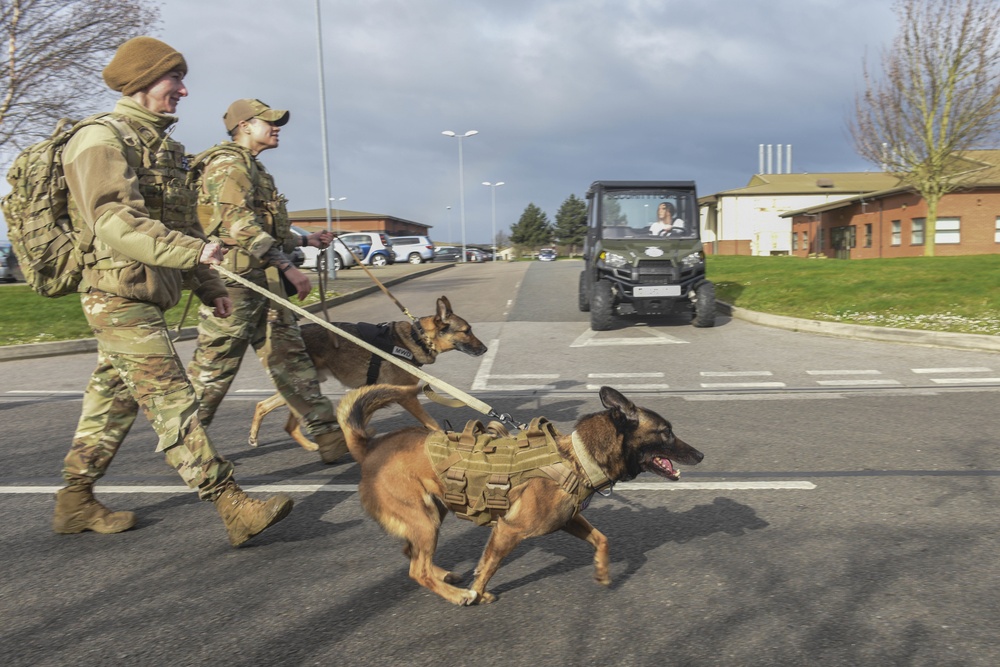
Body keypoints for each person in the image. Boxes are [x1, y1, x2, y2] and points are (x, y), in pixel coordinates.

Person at [53, 37, 293, 547]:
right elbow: (114, 221)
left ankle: (75, 500)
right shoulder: (98, 140)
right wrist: (192, 255)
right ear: (142, 82)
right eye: (173, 80)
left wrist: (208, 285)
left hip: (146, 291)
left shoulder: (161, 147)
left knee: (112, 401)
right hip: (115, 295)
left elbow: (181, 221)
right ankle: (231, 503)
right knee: (171, 399)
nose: (183, 90)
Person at [185, 99, 349, 465]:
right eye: (269, 122)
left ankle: (330, 437)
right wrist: (288, 267)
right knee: (214, 370)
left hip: (265, 284)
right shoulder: (228, 166)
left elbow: (265, 228)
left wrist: (306, 240)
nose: (276, 128)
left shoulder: (254, 169)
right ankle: (186, 447)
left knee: (294, 362)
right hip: (234, 285)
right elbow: (238, 227)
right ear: (244, 125)